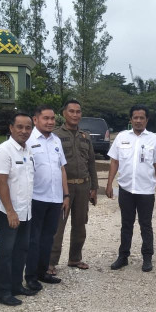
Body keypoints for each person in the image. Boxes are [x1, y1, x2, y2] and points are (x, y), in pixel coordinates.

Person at [105, 105, 156, 272]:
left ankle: (147, 258)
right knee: (126, 224)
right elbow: (114, 161)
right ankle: (123, 256)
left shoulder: (154, 139)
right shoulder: (122, 137)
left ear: (147, 120)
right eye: (135, 118)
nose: (138, 120)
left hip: (146, 190)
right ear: (130, 119)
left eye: (142, 118)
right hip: (126, 190)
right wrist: (109, 183)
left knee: (146, 225)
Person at [0, 112, 36, 306]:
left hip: (25, 211)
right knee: (6, 252)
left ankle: (16, 285)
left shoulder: (28, 151)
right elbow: (2, 183)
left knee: (21, 250)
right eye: (20, 127)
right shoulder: (4, 151)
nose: (24, 131)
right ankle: (2, 292)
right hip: (6, 211)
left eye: (28, 128)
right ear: (11, 128)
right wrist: (10, 211)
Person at [50, 99, 98, 273]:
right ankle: (51, 262)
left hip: (83, 187)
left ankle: (75, 258)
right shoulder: (54, 135)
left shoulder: (85, 136)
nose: (75, 115)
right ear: (64, 113)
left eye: (78, 112)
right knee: (58, 227)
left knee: (80, 225)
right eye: (71, 111)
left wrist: (94, 188)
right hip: (63, 188)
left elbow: (91, 163)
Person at [25, 105, 69, 291]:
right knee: (33, 239)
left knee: (48, 238)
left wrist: (66, 194)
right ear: (36, 120)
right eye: (46, 118)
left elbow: (62, 168)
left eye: (52, 118)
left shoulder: (56, 141)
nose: (50, 122)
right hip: (36, 197)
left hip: (55, 198)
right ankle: (31, 276)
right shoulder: (28, 140)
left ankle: (43, 272)